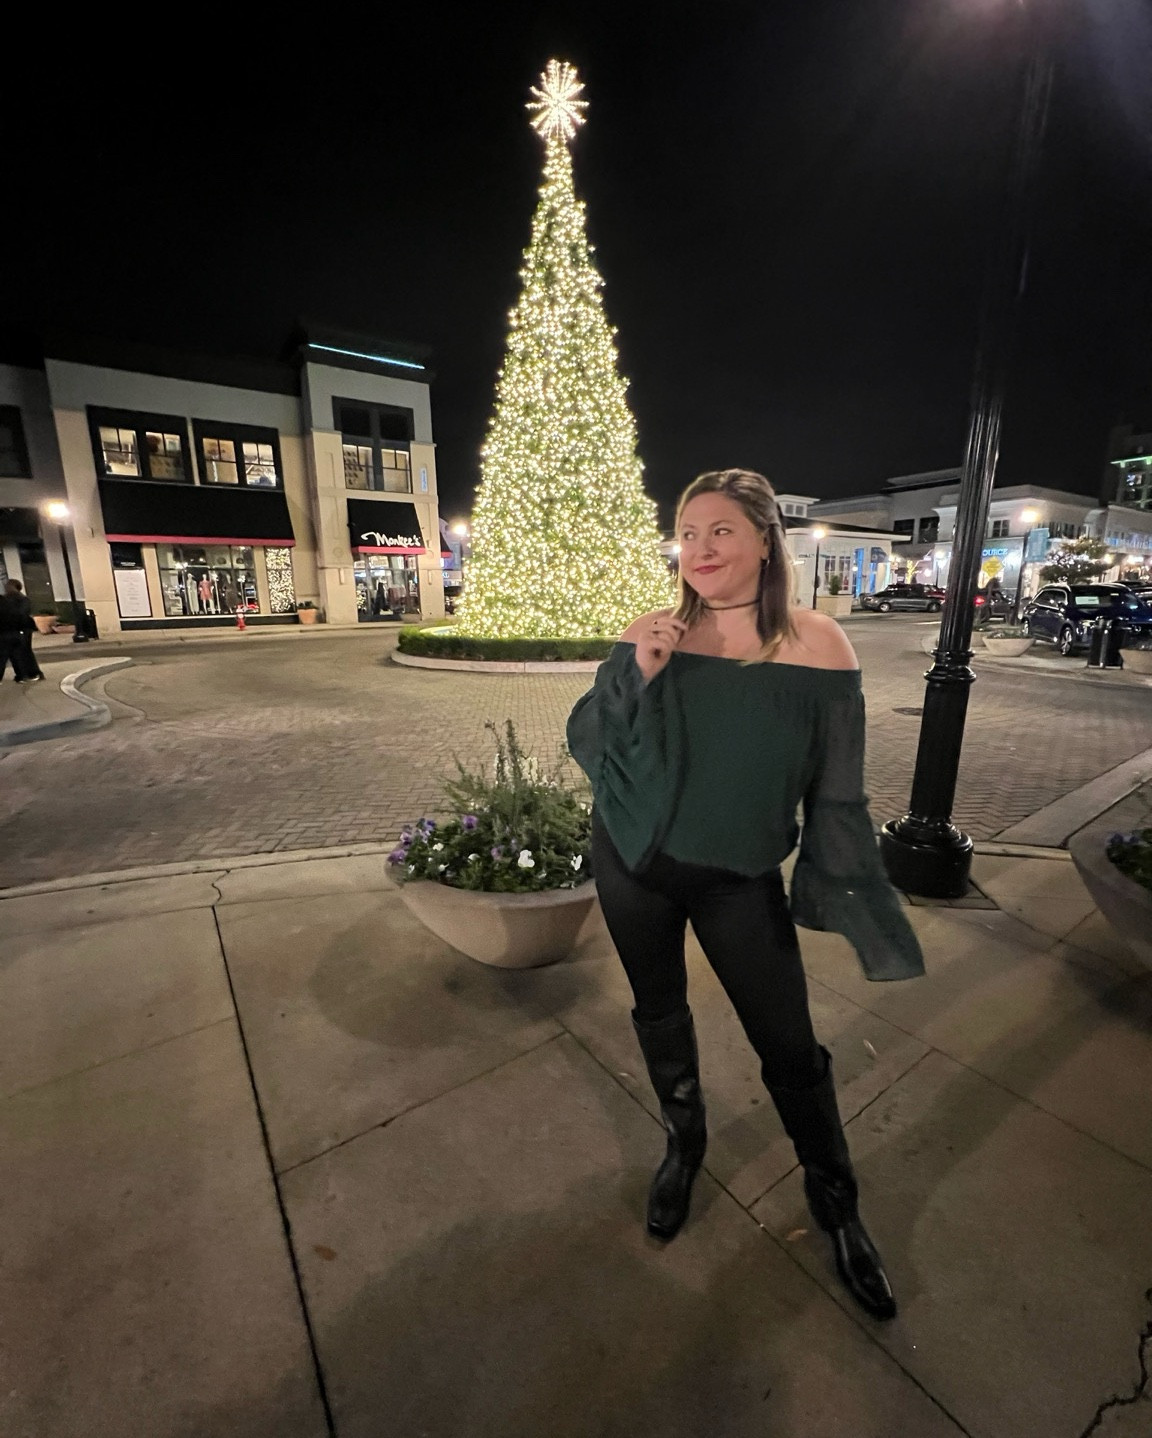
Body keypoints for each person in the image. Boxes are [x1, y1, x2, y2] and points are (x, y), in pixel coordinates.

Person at [567, 469, 924, 1322]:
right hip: (631, 862)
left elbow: (838, 792)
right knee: (660, 1013)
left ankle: (836, 1201)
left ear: (766, 540)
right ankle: (684, 1142)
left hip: (738, 881)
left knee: (790, 1047)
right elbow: (589, 741)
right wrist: (636, 672)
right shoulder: (654, 631)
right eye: (687, 533)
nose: (698, 549)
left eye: (719, 531)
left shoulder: (820, 645)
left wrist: (845, 889)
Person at [0, 579, 44, 683]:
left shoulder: (8, 600)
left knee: (11, 653)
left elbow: (19, 615)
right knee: (22, 652)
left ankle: (25, 674)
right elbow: (23, 614)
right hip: (21, 629)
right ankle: (27, 673)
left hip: (13, 629)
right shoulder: (22, 599)